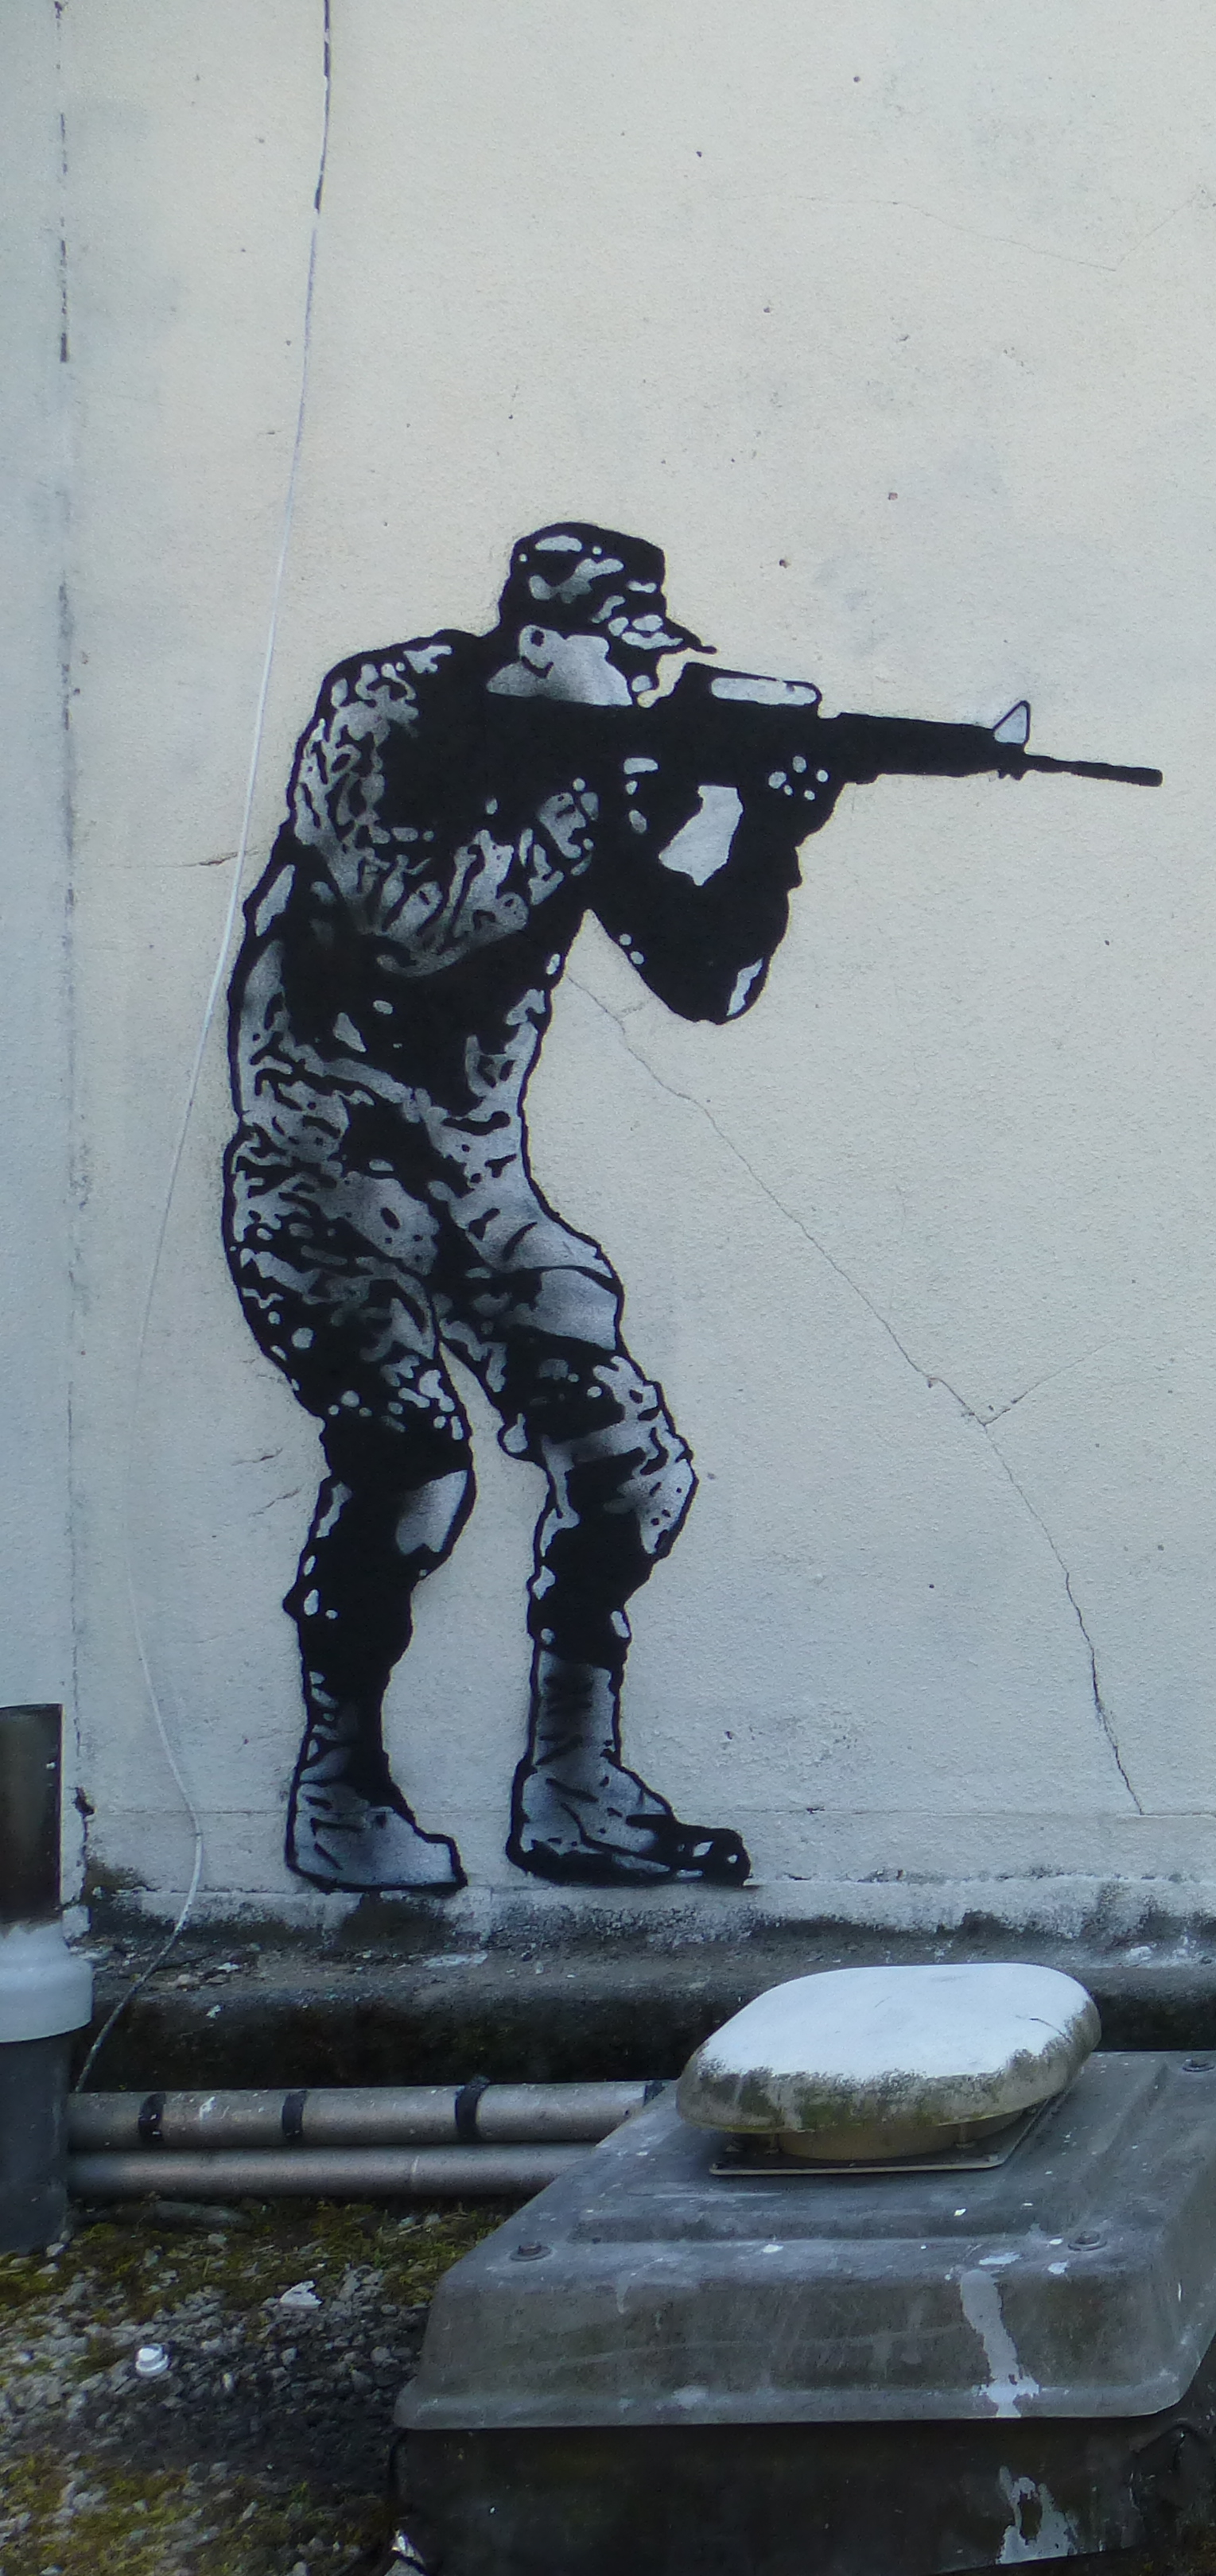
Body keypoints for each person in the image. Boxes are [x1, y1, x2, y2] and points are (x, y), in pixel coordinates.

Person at [224, 523, 844, 1894]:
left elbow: (703, 979)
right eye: (626, 656)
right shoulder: (388, 707)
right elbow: (408, 917)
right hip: (320, 1159)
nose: (645, 683)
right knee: (411, 1465)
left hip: (475, 1179)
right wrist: (602, 802)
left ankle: (575, 1788)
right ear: (543, 637)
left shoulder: (593, 765)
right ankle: (338, 1789)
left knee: (630, 1467)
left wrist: (768, 841)